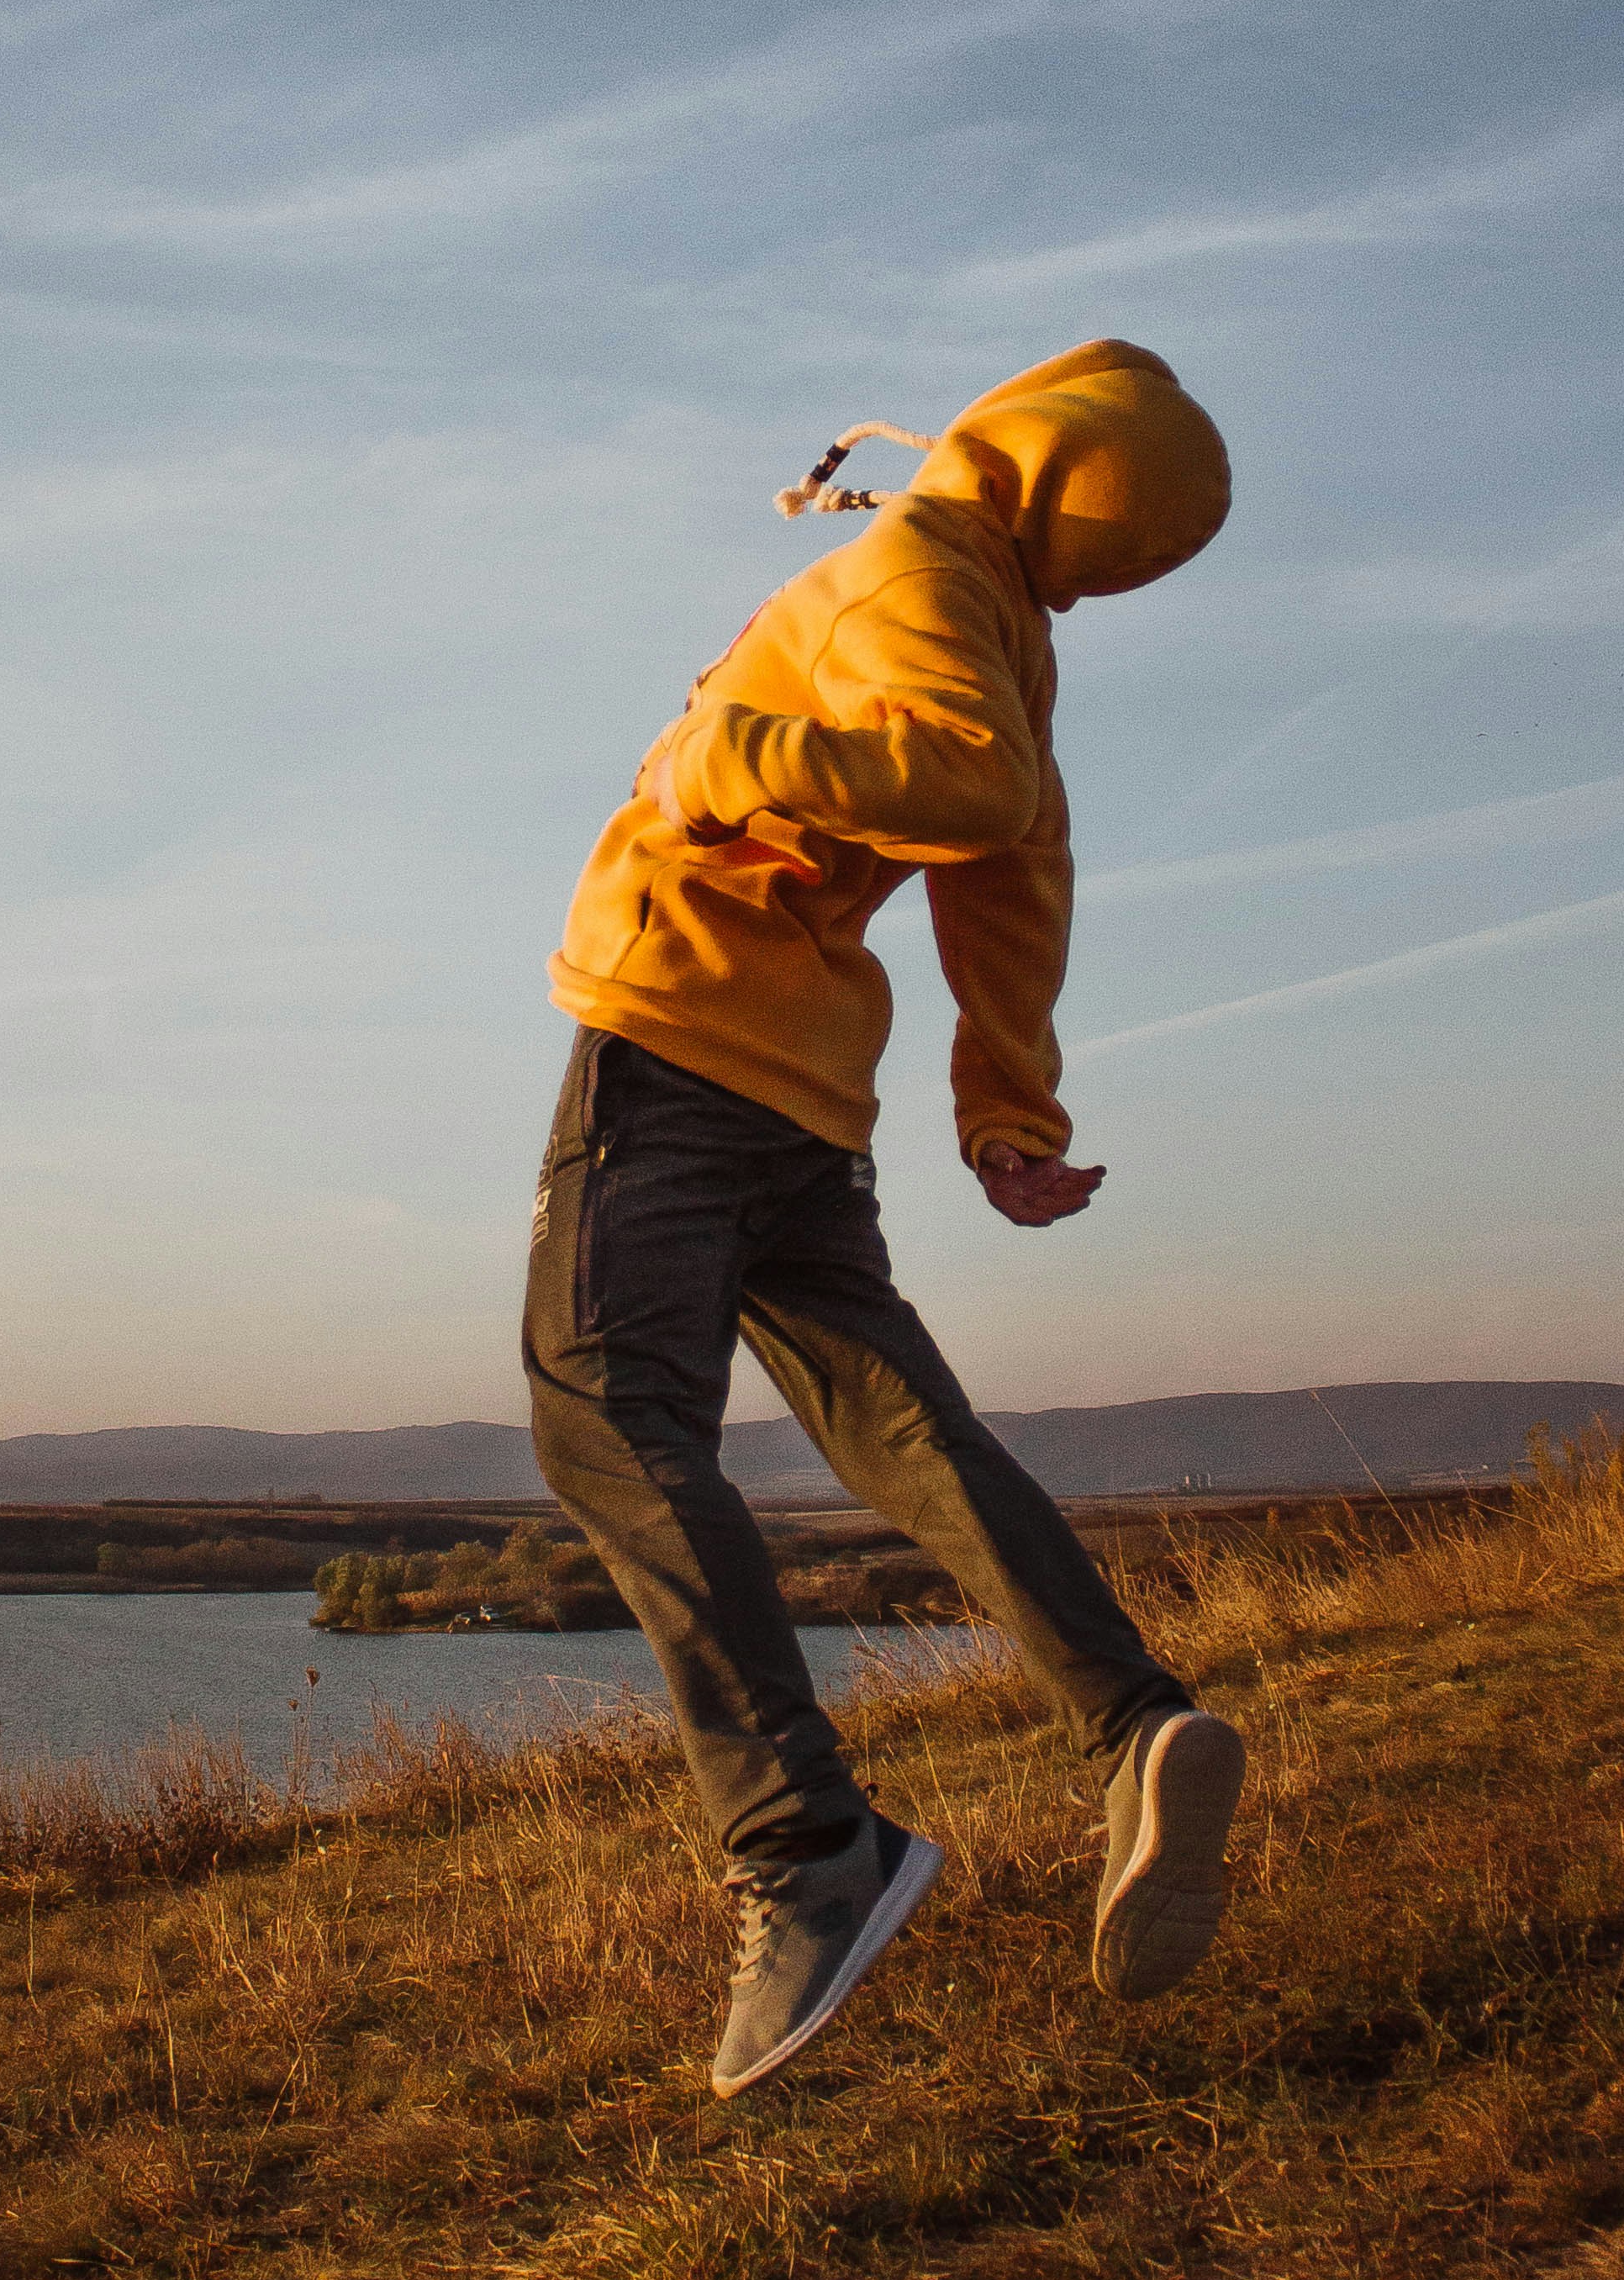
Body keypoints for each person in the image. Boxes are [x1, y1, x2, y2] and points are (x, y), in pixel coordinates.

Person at [523, 335, 1247, 2098]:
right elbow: (1022, 864)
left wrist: (726, 759)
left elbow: (968, 797)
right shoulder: (998, 620)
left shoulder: (921, 573)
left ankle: (808, 1853)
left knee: (609, 1424)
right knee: (902, 1428)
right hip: (804, 1084)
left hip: (681, 1038)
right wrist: (1006, 1102)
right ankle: (1136, 1722)